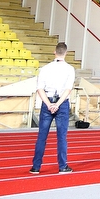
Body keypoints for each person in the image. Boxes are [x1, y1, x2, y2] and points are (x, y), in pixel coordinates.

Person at [30, 42, 75, 174]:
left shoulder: (45, 68)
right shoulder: (69, 69)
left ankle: (36, 167)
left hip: (47, 102)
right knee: (62, 136)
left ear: (54, 52)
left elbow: (39, 89)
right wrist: (57, 104)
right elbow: (68, 90)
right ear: (65, 53)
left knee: (42, 136)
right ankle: (62, 166)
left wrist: (49, 104)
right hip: (61, 103)